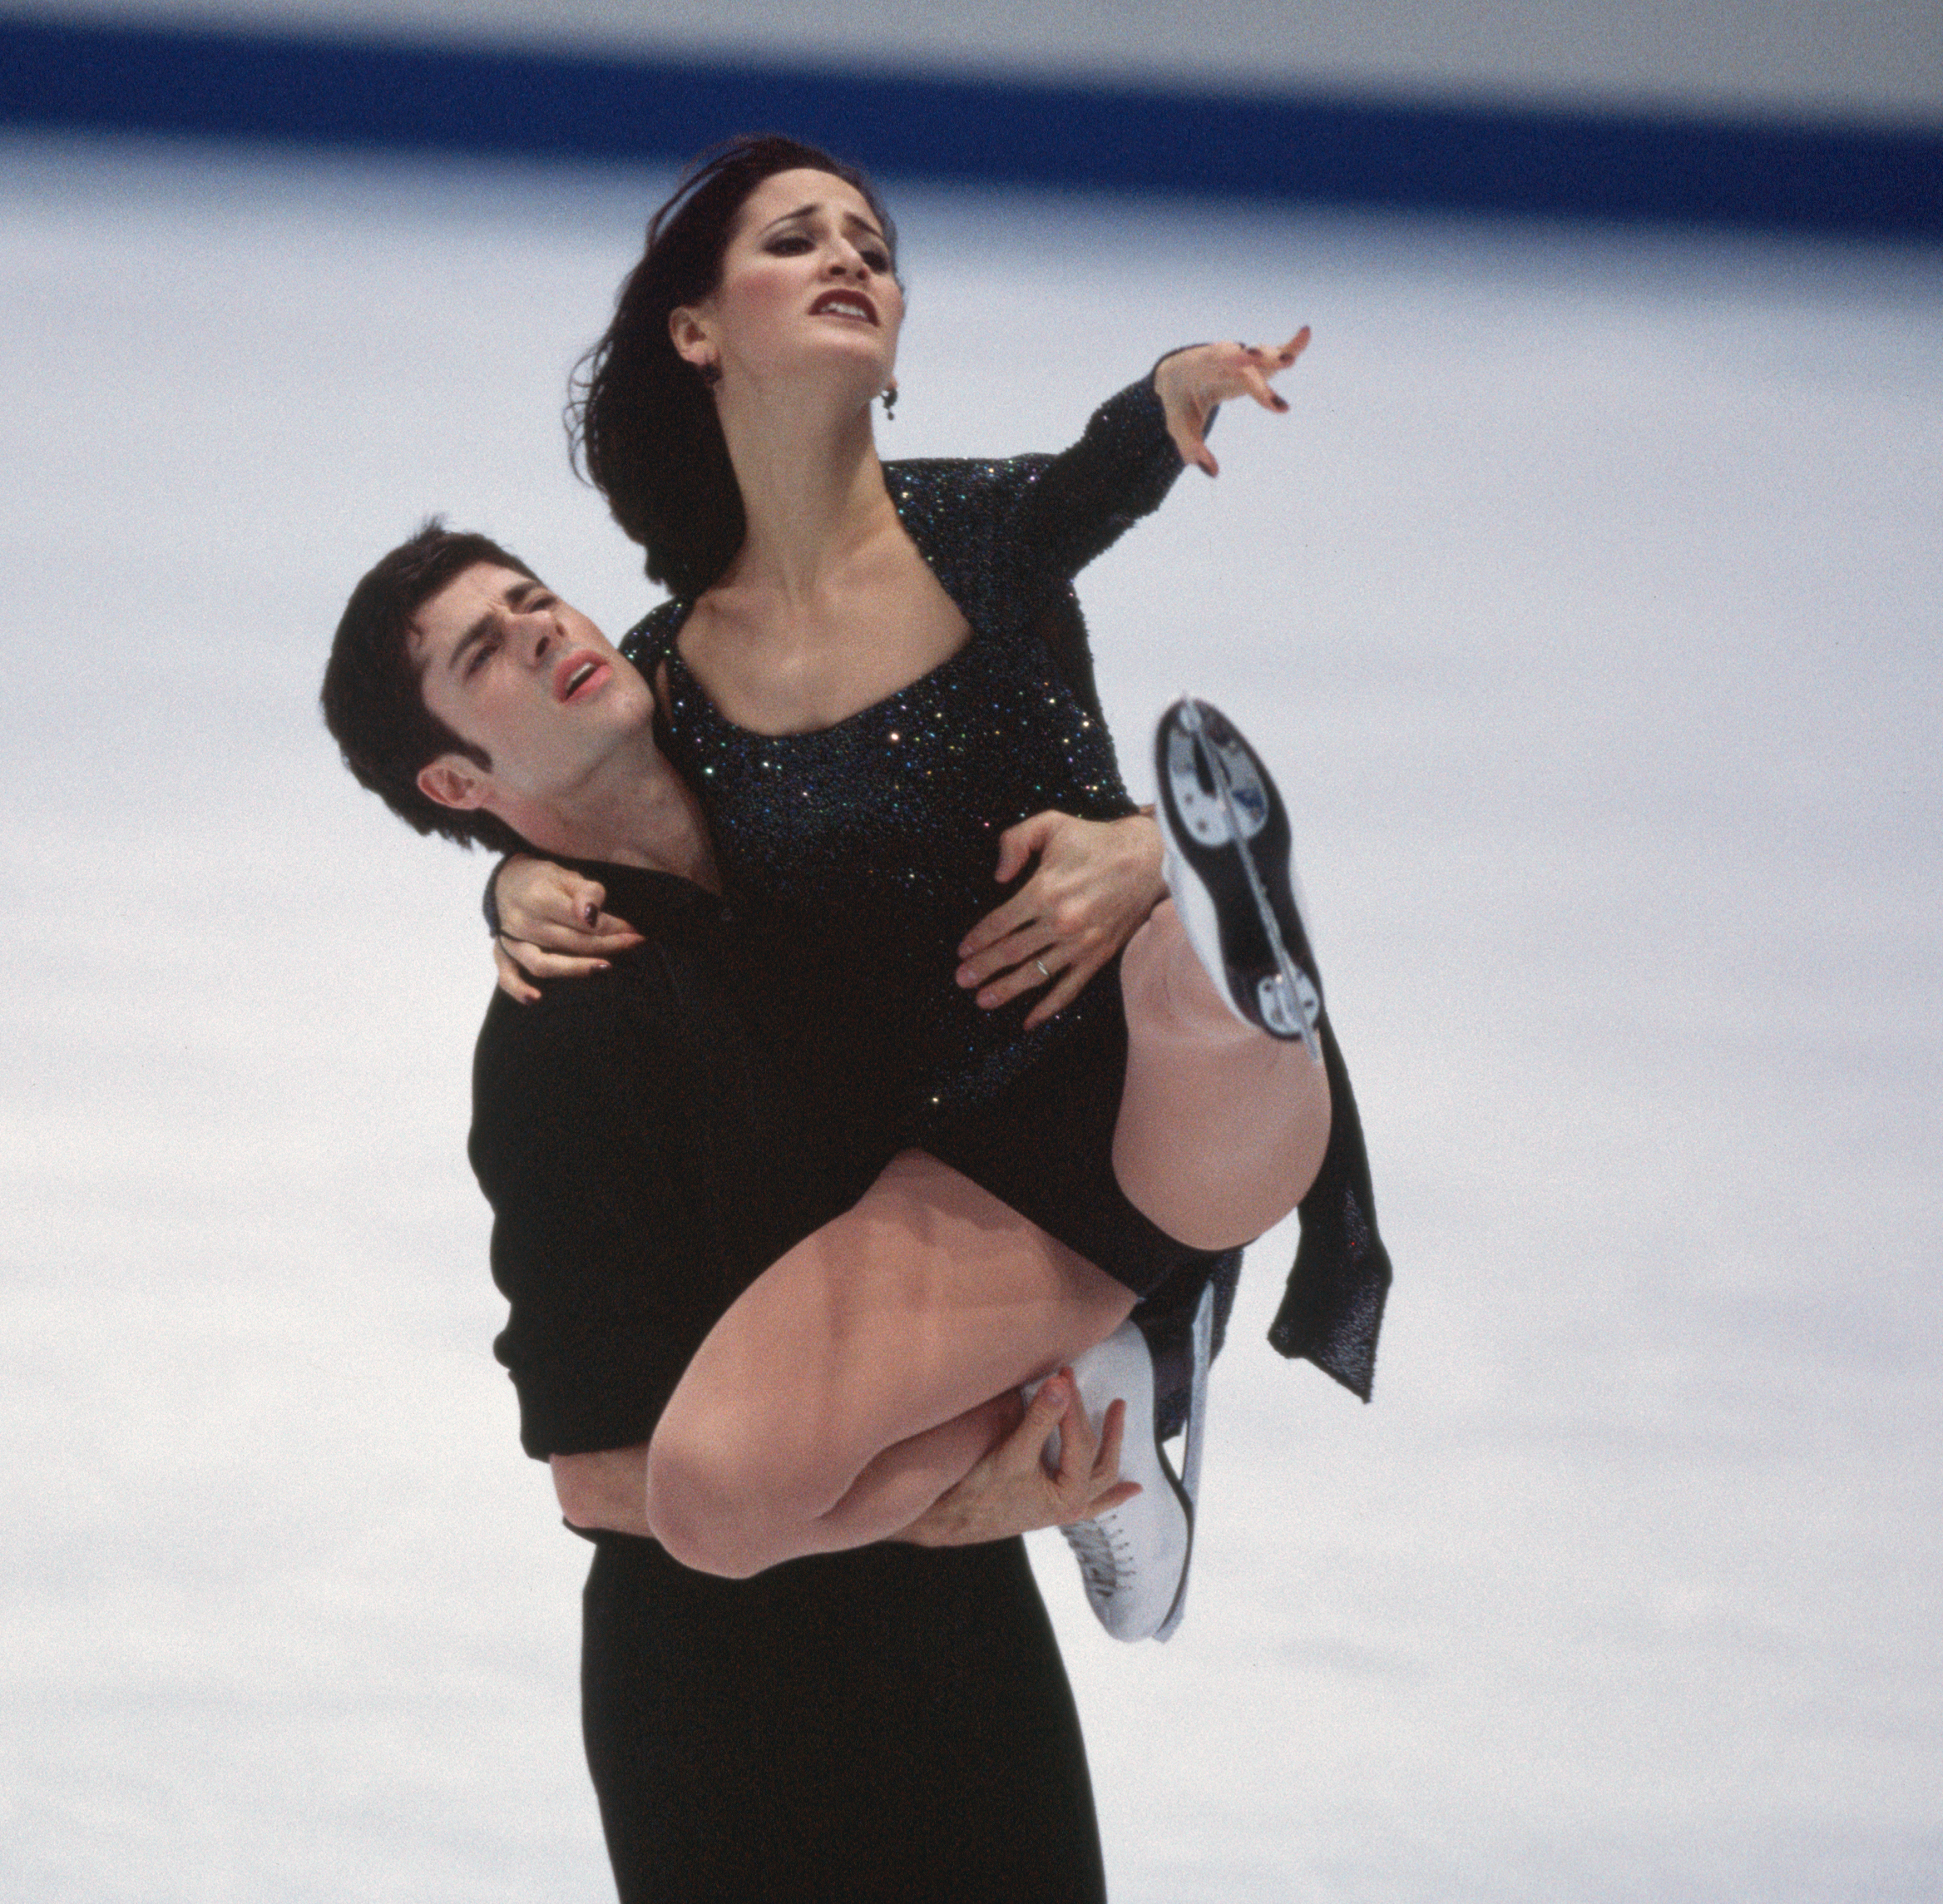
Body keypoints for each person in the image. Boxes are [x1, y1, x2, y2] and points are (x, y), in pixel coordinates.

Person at [323, 521, 1327, 1897]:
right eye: (483, 654)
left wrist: (1139, 845)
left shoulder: (799, 803)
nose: (544, 631)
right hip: (734, 1708)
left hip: (960, 1640)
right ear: (456, 777)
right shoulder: (562, 1031)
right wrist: (946, 1508)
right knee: (713, 1488)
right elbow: (597, 1472)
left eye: (534, 598)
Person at [487, 137, 1392, 1592]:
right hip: (974, 1172)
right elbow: (597, 820)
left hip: (1174, 1095)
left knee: (1169, 957)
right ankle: (1103, 1385)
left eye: (871, 244)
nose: (851, 258)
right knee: (712, 1493)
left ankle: (1224, 934)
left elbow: (1109, 470)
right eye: (795, 241)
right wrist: (503, 882)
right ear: (695, 329)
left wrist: (1178, 386)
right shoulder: (670, 680)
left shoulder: (981, 528)